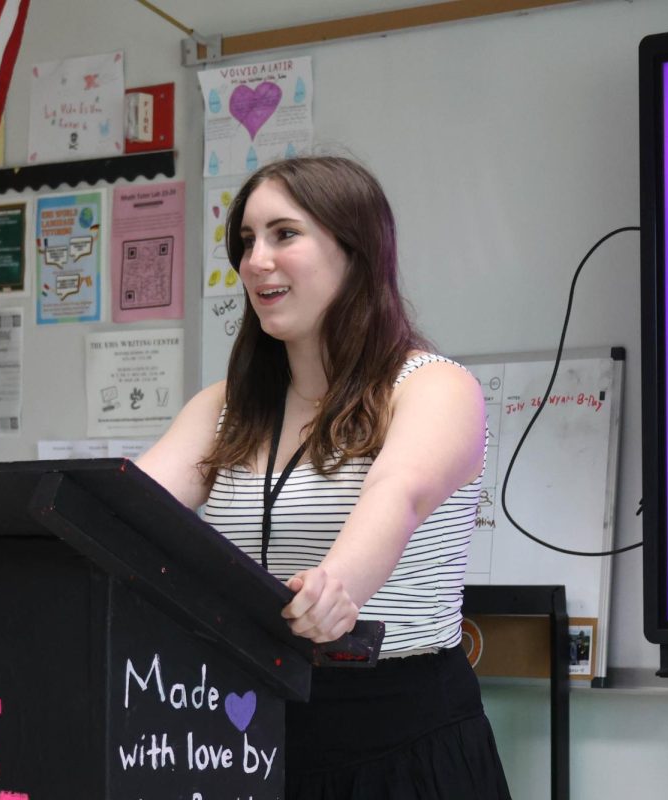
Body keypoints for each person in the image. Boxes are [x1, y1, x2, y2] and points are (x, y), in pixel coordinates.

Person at [137, 155, 511, 799]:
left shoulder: (433, 387)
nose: (256, 261)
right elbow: (125, 512)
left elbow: (397, 495)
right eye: (247, 242)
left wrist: (339, 586)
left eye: (284, 234)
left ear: (355, 250)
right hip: (246, 734)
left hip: (400, 732)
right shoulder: (222, 407)